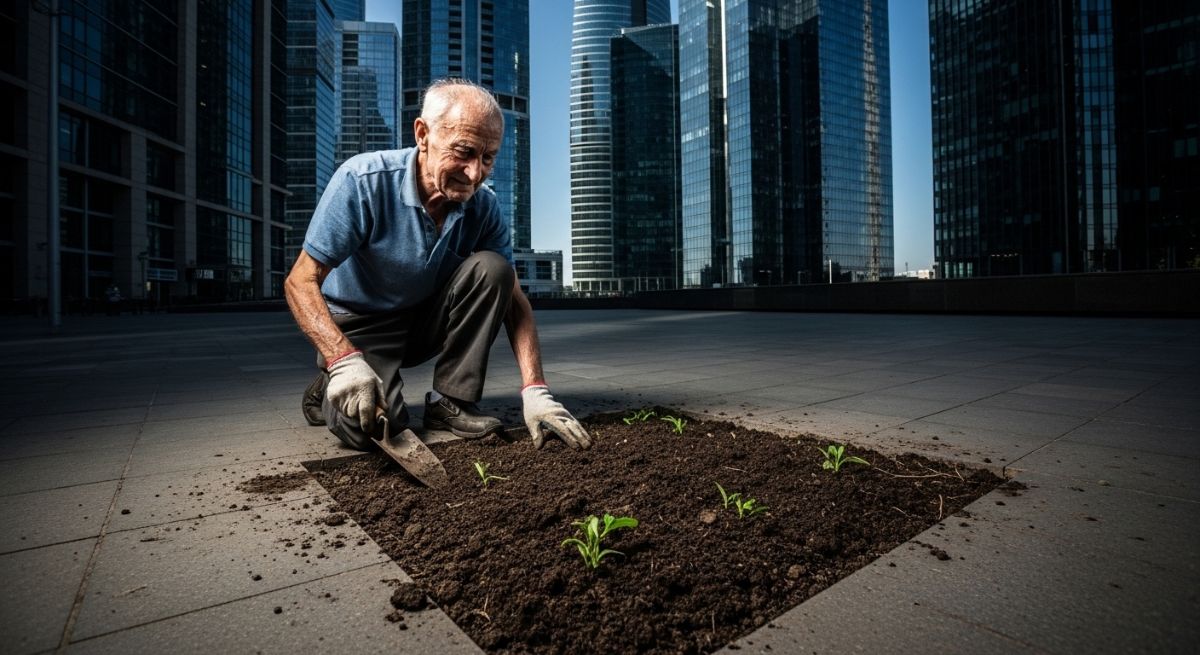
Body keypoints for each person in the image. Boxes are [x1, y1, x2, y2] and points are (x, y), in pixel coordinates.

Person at [285, 79, 591, 452]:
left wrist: (536, 389)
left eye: (488, 157)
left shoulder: (484, 206)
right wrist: (342, 359)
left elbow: (514, 302)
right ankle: (330, 379)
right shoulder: (362, 181)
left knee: (495, 269)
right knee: (373, 427)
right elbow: (300, 280)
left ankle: (451, 403)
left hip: (423, 318)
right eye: (463, 152)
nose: (475, 172)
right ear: (422, 134)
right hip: (361, 323)